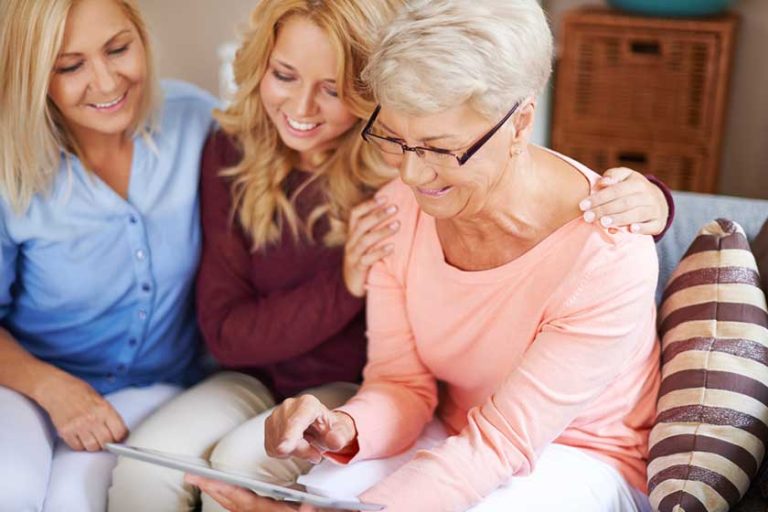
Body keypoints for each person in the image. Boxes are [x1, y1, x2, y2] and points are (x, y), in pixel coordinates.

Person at [110, 1, 672, 511]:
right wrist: (341, 425)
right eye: (397, 140)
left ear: (520, 121)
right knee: (308, 491)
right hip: (451, 431)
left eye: (438, 149)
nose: (409, 174)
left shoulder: (607, 250)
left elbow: (501, 443)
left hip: (579, 454)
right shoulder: (398, 209)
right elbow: (401, 384)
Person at [0, 0, 217, 510]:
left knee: (79, 501)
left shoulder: (198, 123)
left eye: (118, 49)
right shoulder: (10, 169)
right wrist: (54, 390)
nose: (104, 81)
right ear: (35, 76)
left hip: (155, 387)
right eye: (70, 66)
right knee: (10, 489)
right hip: (27, 385)